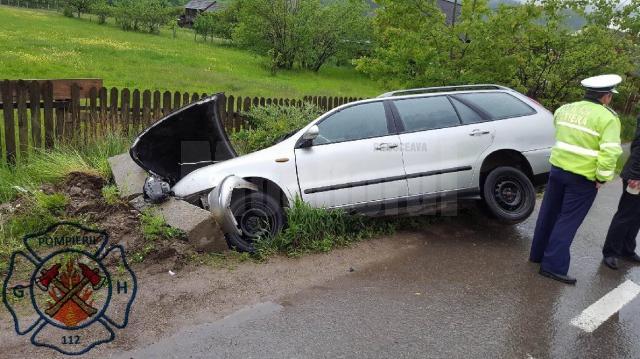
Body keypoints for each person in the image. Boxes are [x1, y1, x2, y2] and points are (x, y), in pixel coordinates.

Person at [530, 74, 623, 285]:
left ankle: (537, 255)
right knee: (567, 221)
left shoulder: (565, 109)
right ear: (606, 97)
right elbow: (610, 154)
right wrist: (602, 177)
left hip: (557, 170)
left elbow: (560, 131)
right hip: (583, 178)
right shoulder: (608, 118)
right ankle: (553, 266)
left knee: (548, 214)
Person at [602, 115, 640, 270]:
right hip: (636, 175)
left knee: (637, 215)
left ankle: (626, 249)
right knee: (626, 214)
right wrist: (636, 174)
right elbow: (639, 145)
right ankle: (611, 252)